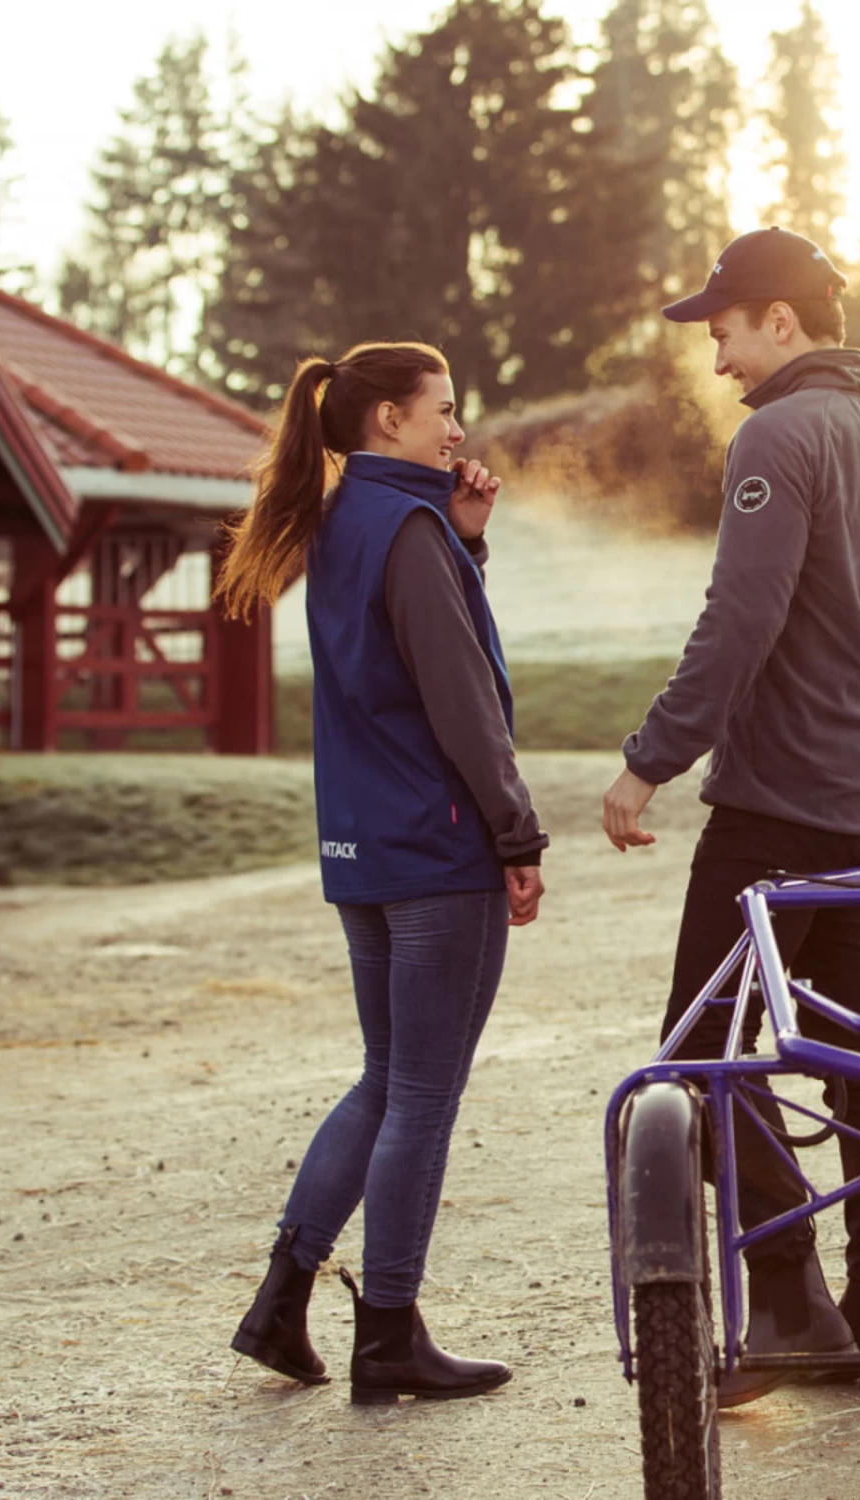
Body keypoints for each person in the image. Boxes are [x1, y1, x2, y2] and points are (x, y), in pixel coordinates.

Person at [602, 228, 860, 1401]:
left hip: (775, 814)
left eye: (724, 334)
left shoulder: (778, 437)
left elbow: (738, 619)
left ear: (779, 320)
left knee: (691, 1066)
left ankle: (799, 1298)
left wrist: (647, 760)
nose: (719, 364)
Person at [216, 341, 547, 1405]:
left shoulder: (348, 523)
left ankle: (280, 1299)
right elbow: (460, 696)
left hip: (363, 845)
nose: (458, 429)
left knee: (385, 1078)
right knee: (423, 1095)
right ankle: (390, 1334)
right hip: (436, 849)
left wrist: (469, 547)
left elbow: (404, 658)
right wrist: (516, 832)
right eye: (442, 410)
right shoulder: (405, 529)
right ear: (388, 423)